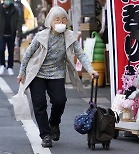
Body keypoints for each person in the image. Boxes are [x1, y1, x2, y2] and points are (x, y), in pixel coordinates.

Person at [16, 6, 98, 148]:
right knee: (39, 104)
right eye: (57, 19)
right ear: (50, 21)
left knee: (60, 100)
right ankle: (46, 135)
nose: (61, 22)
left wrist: (90, 70)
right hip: (38, 73)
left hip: (57, 73)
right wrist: (22, 73)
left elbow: (81, 54)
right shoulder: (41, 36)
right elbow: (27, 54)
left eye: (64, 19)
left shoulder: (69, 36)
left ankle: (54, 123)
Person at [0, 0, 22, 75]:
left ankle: (10, 67)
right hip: (1, 34)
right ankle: (2, 64)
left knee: (11, 51)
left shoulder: (14, 9)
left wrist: (19, 32)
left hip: (11, 34)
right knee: (1, 49)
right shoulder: (0, 9)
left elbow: (19, 21)